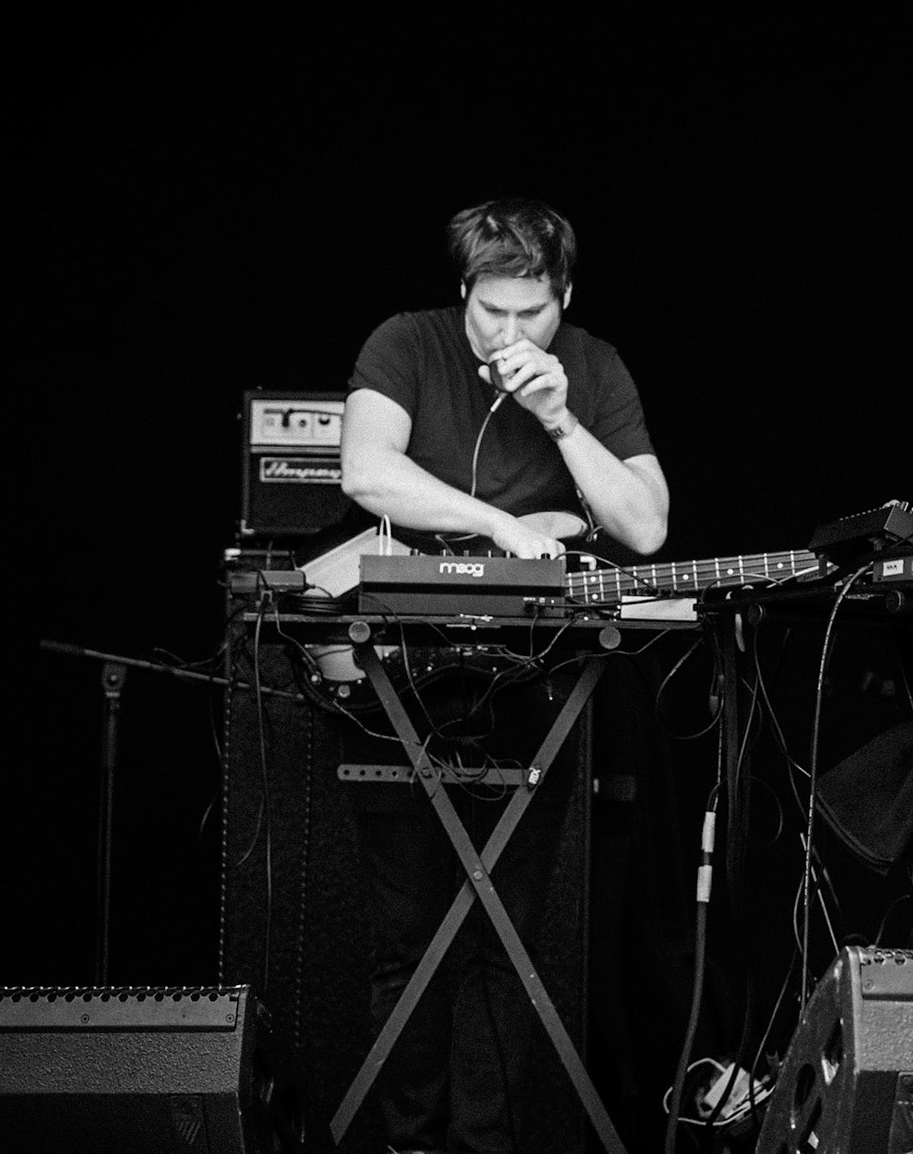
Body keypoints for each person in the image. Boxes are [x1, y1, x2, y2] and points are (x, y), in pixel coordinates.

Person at [338, 196, 670, 1152]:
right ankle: (408, 1137)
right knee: (410, 930)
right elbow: (365, 470)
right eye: (493, 311)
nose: (511, 332)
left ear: (563, 296)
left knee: (509, 931)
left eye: (533, 312)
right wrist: (500, 527)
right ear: (464, 293)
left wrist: (563, 422)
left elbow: (645, 526)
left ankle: (488, 1141)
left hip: (537, 676)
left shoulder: (594, 367)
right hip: (400, 674)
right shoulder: (407, 343)